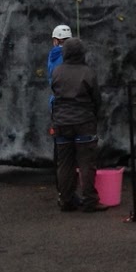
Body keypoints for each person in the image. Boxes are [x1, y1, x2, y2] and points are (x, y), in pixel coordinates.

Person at [50, 35, 103, 212]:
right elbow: (97, 99)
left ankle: (66, 200)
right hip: (84, 122)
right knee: (87, 163)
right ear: (82, 53)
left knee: (65, 164)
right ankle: (90, 200)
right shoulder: (88, 72)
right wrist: (95, 117)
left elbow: (54, 94)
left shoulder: (56, 71)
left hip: (61, 123)